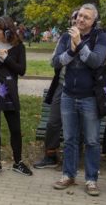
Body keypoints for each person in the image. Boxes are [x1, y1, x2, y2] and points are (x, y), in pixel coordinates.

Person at [52, 3, 106, 196]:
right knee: (70, 139)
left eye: (86, 17)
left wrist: (80, 44)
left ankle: (91, 179)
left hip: (90, 97)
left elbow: (95, 61)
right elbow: (55, 62)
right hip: (68, 94)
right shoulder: (68, 36)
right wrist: (71, 49)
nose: (80, 19)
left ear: (94, 21)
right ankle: (68, 175)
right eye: (79, 16)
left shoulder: (101, 37)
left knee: (92, 141)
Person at [0, 16, 33, 177]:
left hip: (10, 93)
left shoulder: (18, 48)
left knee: (15, 129)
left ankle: (18, 162)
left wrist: (7, 59)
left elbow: (21, 70)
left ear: (6, 31)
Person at [34, 10, 78, 169]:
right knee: (53, 122)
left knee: (78, 123)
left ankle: (74, 157)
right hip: (62, 84)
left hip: (83, 88)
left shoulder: (93, 38)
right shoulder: (65, 38)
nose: (76, 21)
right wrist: (70, 52)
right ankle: (50, 155)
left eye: (80, 18)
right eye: (74, 18)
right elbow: (54, 62)